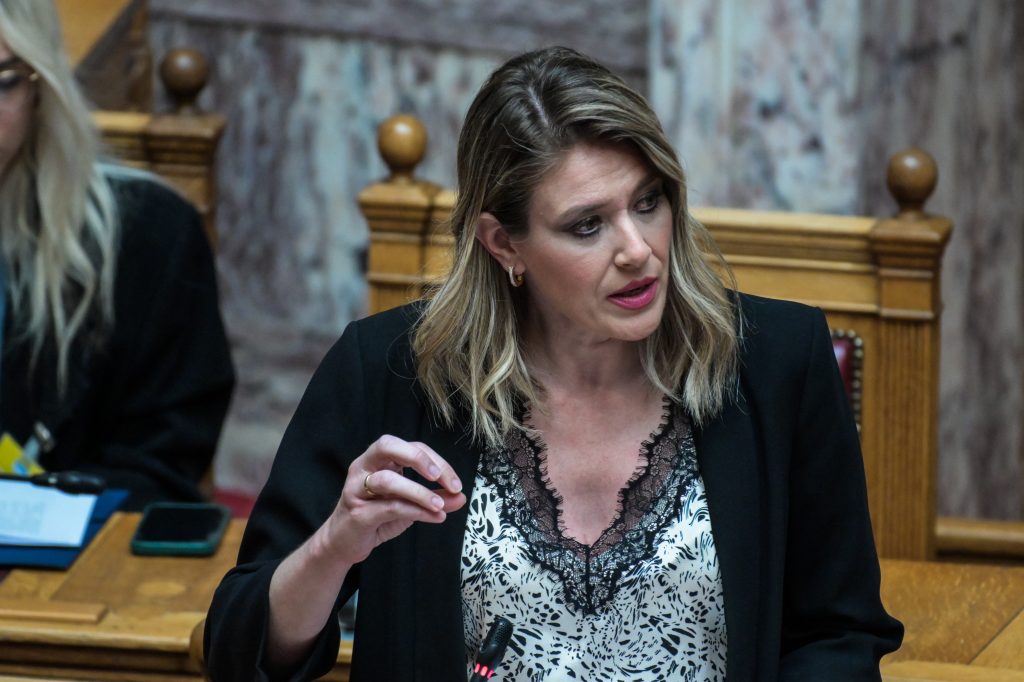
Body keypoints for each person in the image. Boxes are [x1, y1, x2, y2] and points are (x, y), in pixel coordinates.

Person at [205, 47, 902, 681]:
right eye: (587, 225)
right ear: (504, 244)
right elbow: (242, 653)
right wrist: (333, 547)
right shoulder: (393, 373)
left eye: (648, 202)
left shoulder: (778, 363)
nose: (638, 250)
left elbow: (838, 635)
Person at [0, 0, 234, 509]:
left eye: (3, 83)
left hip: (66, 548)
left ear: (41, 86)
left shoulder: (148, 235)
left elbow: (162, 465)